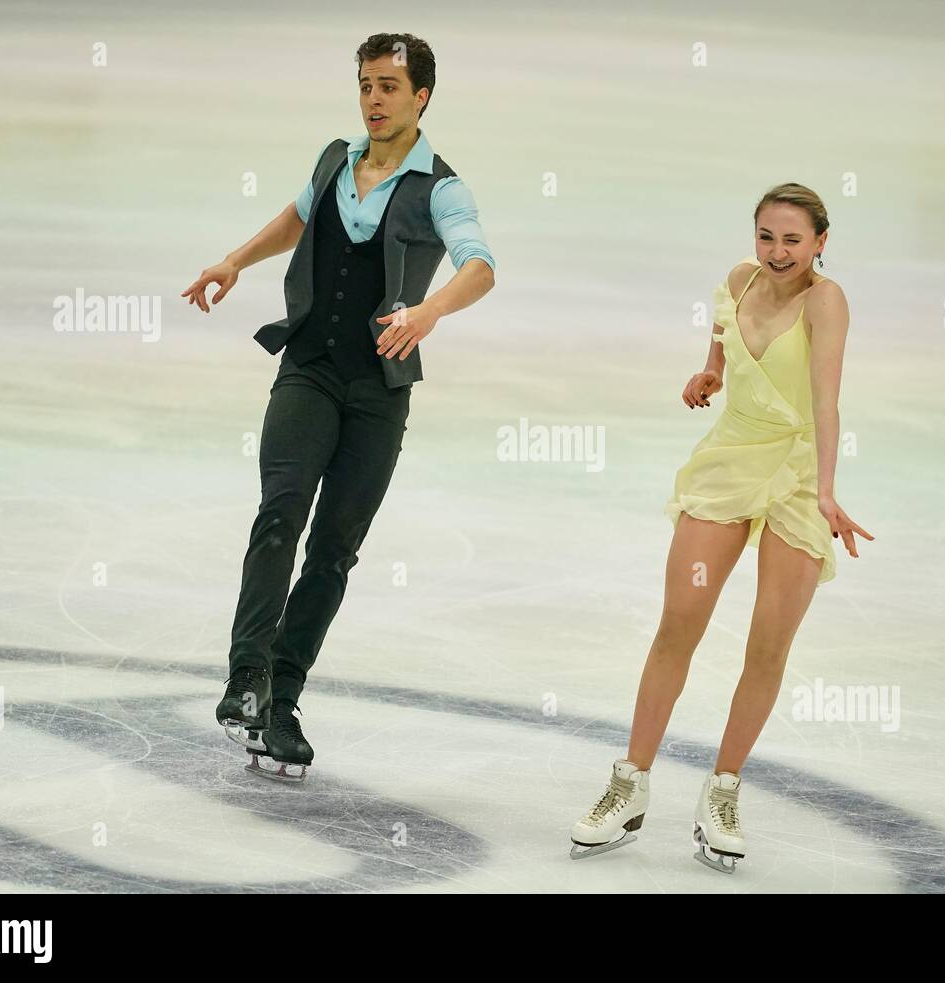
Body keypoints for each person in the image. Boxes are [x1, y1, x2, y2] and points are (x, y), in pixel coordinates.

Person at [181, 33, 496, 782]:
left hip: (379, 391)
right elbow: (297, 218)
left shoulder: (440, 187)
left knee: (333, 550)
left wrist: (430, 311)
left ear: (421, 96)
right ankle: (246, 678)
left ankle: (283, 697)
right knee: (280, 513)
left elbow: (479, 266)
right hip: (310, 369)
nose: (375, 99)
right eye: (365, 85)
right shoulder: (334, 159)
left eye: (389, 86)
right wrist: (234, 258)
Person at [569, 184, 871, 871]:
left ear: (821, 241)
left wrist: (824, 489)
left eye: (793, 239)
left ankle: (723, 791)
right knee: (681, 619)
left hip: (796, 474)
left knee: (768, 642)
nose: (778, 252)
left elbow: (826, 403)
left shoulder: (827, 302)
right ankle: (629, 783)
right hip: (731, 460)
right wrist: (709, 370)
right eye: (767, 236)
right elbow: (723, 333)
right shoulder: (740, 280)